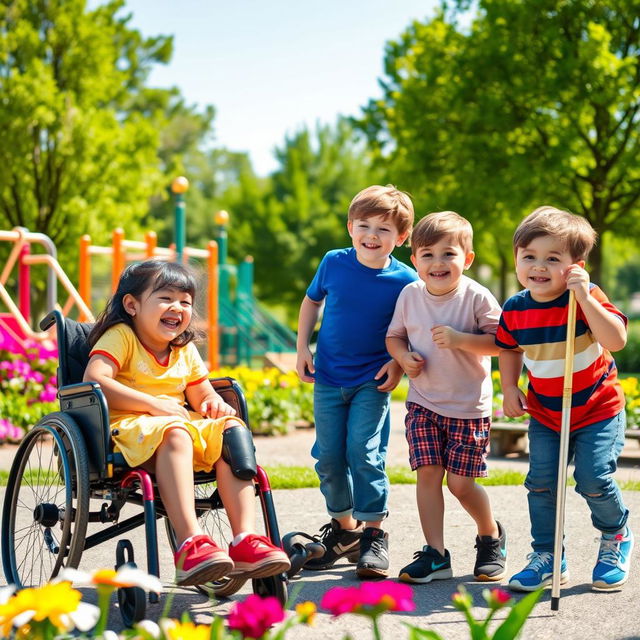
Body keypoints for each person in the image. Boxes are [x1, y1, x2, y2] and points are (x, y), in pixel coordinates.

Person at [84, 260, 290, 587]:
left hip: (175, 427)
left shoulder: (184, 349)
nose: (177, 307)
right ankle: (190, 543)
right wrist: (154, 405)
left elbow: (200, 393)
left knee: (232, 431)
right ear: (132, 304)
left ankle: (244, 541)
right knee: (176, 433)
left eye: (185, 301)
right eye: (165, 297)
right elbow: (95, 380)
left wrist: (214, 403)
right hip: (129, 430)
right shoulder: (121, 336)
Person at [496, 206, 633, 591]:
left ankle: (615, 534)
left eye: (552, 259)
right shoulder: (516, 307)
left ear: (576, 265)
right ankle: (548, 555)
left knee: (592, 478)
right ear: (517, 259)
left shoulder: (585, 296)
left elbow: (617, 340)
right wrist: (510, 387)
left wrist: (584, 296)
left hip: (597, 407)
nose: (538, 266)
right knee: (541, 482)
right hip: (546, 411)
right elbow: (509, 348)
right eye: (529, 257)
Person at [295, 184, 417, 579]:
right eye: (364, 225)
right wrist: (302, 348)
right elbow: (312, 301)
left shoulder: (407, 280)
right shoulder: (333, 262)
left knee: (364, 454)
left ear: (400, 238)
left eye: (384, 229)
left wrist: (397, 365)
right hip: (328, 378)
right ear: (350, 227)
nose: (371, 235)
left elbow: (411, 330)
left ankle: (374, 535)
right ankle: (345, 531)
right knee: (328, 458)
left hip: (372, 381)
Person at [386, 211, 505, 584]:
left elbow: (502, 343)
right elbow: (395, 336)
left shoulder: (476, 297)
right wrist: (403, 357)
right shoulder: (409, 295)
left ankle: (490, 535)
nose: (437, 263)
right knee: (427, 475)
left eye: (448, 254)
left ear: (467, 259)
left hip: (468, 408)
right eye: (427, 254)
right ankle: (436, 553)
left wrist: (460, 340)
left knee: (460, 484)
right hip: (423, 403)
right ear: (415, 260)